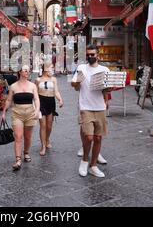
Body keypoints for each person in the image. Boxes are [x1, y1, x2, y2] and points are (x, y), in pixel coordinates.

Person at [71, 44, 111, 178]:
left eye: (92, 54)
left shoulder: (105, 69)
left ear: (97, 55)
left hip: (100, 107)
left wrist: (108, 92)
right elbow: (75, 86)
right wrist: (77, 82)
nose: (90, 57)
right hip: (86, 107)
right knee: (89, 137)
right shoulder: (81, 68)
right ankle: (84, 161)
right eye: (88, 55)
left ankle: (93, 166)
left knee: (98, 137)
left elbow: (107, 89)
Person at [2, 65, 40, 171]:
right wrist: (4, 112)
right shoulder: (13, 86)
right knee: (18, 137)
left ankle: (26, 152)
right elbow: (9, 100)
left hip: (30, 114)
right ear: (20, 72)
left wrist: (37, 110)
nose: (28, 72)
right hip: (17, 113)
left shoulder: (32, 86)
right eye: (25, 70)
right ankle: (18, 160)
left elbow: (36, 99)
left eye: (28, 70)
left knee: (28, 137)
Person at [35, 62, 64, 156]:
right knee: (43, 126)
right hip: (41, 102)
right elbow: (35, 94)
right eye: (51, 68)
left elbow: (56, 91)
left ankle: (47, 139)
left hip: (51, 102)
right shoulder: (38, 80)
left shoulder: (54, 79)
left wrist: (60, 99)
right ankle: (43, 145)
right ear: (45, 69)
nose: (53, 69)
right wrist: (35, 106)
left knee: (49, 126)